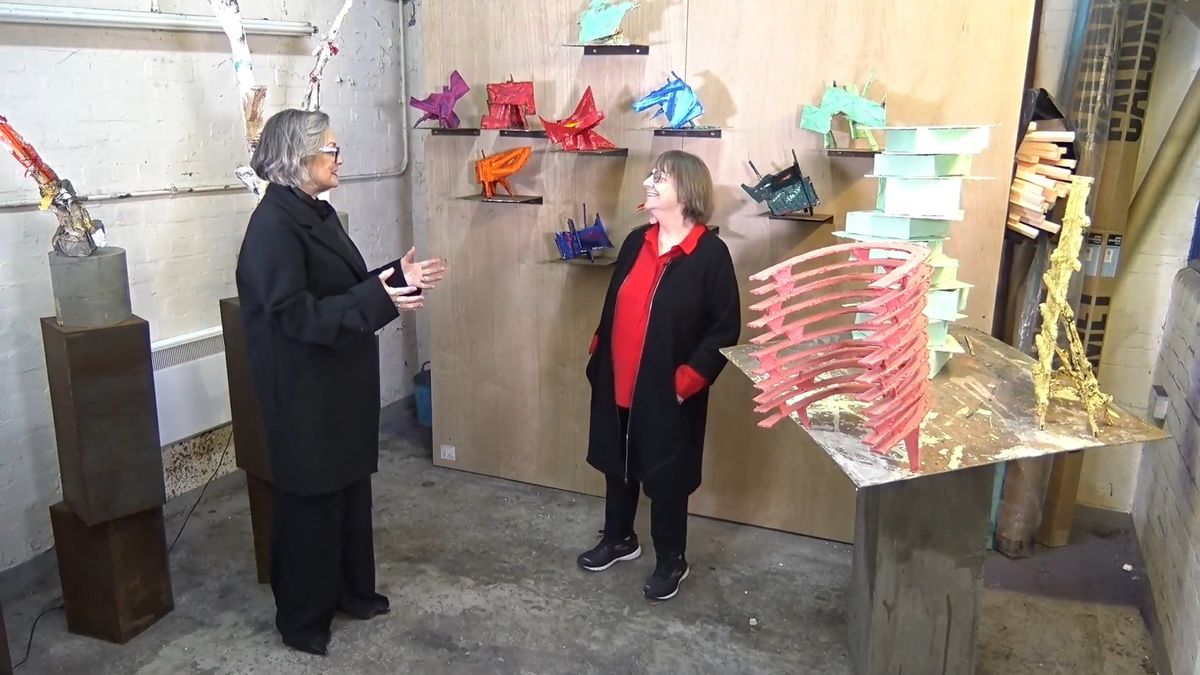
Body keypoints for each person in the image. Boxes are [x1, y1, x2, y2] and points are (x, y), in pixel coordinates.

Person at [235, 109, 446, 656]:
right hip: (304, 390)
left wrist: (396, 277)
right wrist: (380, 299)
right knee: (311, 505)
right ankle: (303, 620)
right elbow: (294, 315)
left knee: (348, 493)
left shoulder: (314, 213)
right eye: (330, 149)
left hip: (336, 384)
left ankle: (352, 591)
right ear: (297, 159)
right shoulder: (272, 229)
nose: (339, 157)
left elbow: (341, 287)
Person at [579, 150, 741, 601]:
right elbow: (616, 301)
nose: (649, 182)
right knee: (618, 462)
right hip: (619, 378)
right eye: (651, 175)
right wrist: (599, 347)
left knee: (667, 477)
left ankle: (673, 559)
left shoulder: (711, 255)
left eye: (660, 177)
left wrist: (687, 380)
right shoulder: (636, 241)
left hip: (670, 389)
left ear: (686, 191)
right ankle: (619, 539)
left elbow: (725, 329)